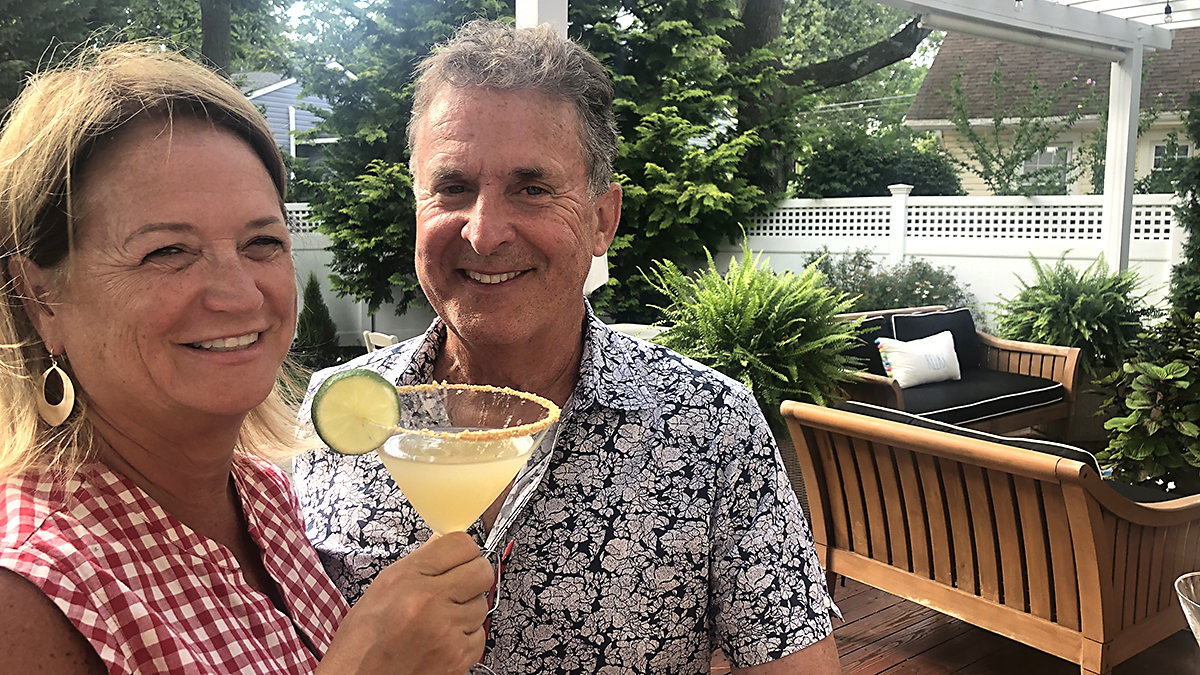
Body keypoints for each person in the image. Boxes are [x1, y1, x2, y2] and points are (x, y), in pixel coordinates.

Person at [294, 19, 841, 675]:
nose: (484, 231)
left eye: (531, 188)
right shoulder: (336, 412)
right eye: (452, 187)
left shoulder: (712, 426)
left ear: (602, 219)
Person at [0, 44, 495, 675]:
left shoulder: (262, 494)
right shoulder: (27, 592)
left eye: (262, 242)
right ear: (42, 298)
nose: (238, 294)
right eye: (167, 252)